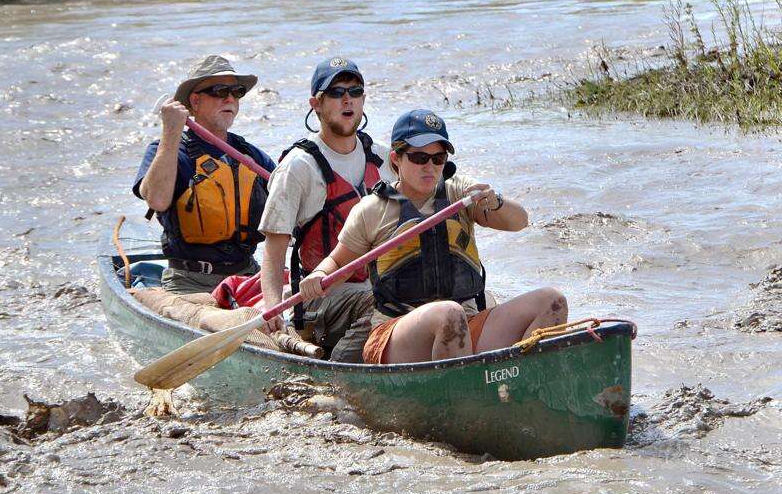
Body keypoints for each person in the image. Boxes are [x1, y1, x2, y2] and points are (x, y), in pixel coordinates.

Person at [298, 109, 568, 364]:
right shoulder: (371, 209)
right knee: (448, 314)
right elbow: (337, 264)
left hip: (465, 322)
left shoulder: (460, 195)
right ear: (396, 160)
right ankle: (461, 402)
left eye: (438, 159)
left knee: (552, 301)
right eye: (419, 158)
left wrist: (495, 201)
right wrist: (317, 276)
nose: (430, 167)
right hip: (395, 333)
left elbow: (520, 221)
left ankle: (522, 384)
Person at [258, 57, 396, 362]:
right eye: (335, 92)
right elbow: (273, 248)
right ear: (316, 104)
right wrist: (272, 307)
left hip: (380, 285)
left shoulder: (385, 159)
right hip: (319, 298)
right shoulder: (297, 167)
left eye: (355, 90)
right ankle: (338, 378)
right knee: (380, 300)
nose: (347, 99)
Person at [133, 55, 276, 294]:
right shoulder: (170, 150)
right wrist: (171, 131)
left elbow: (290, 201)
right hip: (189, 282)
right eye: (220, 90)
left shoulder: (251, 156)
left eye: (237, 91)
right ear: (195, 101)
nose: (230, 98)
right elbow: (156, 199)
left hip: (246, 275)